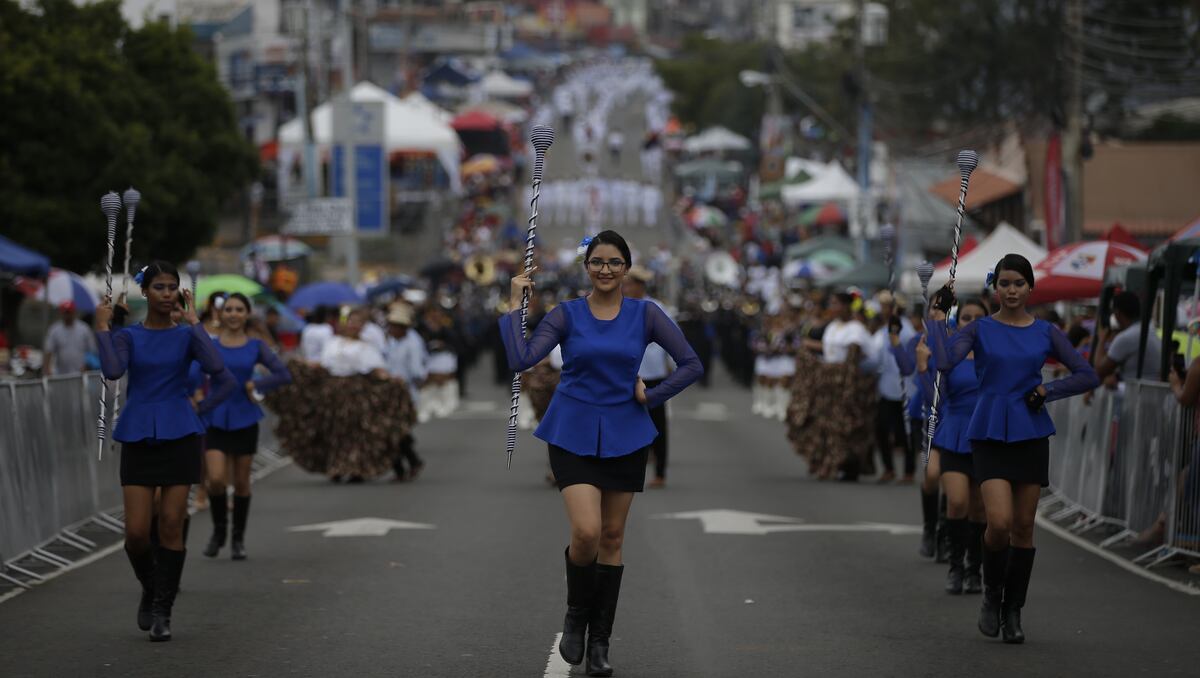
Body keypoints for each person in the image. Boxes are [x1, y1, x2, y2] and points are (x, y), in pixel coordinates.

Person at [501, 230, 702, 676]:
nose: (606, 269)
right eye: (597, 262)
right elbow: (520, 359)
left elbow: (691, 364)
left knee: (612, 539)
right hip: (571, 430)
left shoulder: (646, 315)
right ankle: (576, 616)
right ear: (586, 267)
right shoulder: (566, 314)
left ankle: (600, 643)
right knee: (587, 533)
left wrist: (652, 394)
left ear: (626, 268)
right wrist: (516, 304)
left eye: (614, 262)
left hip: (625, 435)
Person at [926, 254, 1098, 644]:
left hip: (1031, 433)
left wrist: (1047, 390)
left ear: (1030, 287)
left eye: (1019, 283)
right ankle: (990, 594)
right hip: (987, 432)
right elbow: (943, 360)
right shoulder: (981, 329)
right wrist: (937, 320)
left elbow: (1088, 374)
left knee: (1023, 528)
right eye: (1004, 283)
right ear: (995, 287)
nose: (1012, 290)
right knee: (998, 523)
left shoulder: (1046, 331)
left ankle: (1013, 610)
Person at [95, 261, 235, 642]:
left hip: (180, 433)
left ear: (181, 292)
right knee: (137, 534)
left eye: (172, 287)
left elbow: (217, 367)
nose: (166, 293)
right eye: (159, 287)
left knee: (172, 524)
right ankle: (151, 586)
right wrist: (103, 327)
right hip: (139, 433)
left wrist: (194, 322)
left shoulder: (188, 334)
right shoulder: (129, 337)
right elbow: (111, 371)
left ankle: (162, 610)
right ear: (146, 291)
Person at [197, 293, 291, 561]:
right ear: (220, 314)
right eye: (229, 309)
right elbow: (190, 371)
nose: (234, 314)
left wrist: (257, 385)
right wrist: (196, 392)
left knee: (241, 482)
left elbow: (284, 374)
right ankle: (218, 532)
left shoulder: (256, 347)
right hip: (215, 416)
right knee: (215, 479)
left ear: (247, 314)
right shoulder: (210, 345)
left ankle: (238, 539)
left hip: (245, 417)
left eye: (239, 309)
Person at [917, 298, 990, 594]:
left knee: (980, 509)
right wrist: (923, 366)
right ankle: (955, 567)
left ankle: (974, 570)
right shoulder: (951, 355)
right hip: (954, 433)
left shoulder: (993, 355)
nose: (971, 321)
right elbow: (933, 399)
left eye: (978, 317)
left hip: (986, 435)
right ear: (957, 322)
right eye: (965, 316)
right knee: (957, 502)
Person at [624, 265, 673, 488]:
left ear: (640, 285)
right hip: (628, 373)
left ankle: (660, 471)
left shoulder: (658, 308)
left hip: (653, 372)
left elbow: (674, 340)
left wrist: (672, 365)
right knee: (628, 421)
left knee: (658, 423)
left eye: (629, 284)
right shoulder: (620, 307)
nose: (625, 288)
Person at [872, 292, 917, 483]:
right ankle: (889, 468)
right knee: (881, 428)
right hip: (886, 387)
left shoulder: (906, 331)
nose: (882, 310)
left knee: (905, 431)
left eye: (885, 306)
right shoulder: (883, 330)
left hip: (905, 388)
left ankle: (908, 471)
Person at [384, 303, 428, 481]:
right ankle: (406, 464)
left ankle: (406, 465)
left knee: (395, 431)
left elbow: (417, 370)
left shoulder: (413, 343)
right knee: (392, 430)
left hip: (405, 391)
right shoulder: (393, 342)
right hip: (391, 390)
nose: (391, 329)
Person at [1094, 291, 1163, 383]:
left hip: (1135, 393)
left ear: (1117, 313)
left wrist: (1101, 340)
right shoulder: (1148, 329)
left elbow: (1100, 370)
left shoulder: (1127, 337)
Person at [43, 301, 97, 375]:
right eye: (65, 312)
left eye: (69, 312)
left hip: (81, 373)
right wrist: (47, 369)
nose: (68, 315)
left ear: (74, 312)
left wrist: (87, 366)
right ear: (61, 313)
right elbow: (48, 350)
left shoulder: (84, 329)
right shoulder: (55, 330)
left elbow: (92, 350)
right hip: (61, 373)